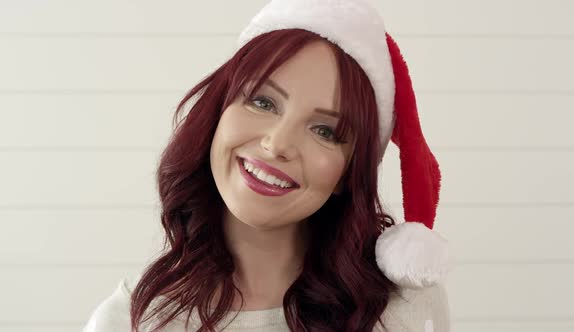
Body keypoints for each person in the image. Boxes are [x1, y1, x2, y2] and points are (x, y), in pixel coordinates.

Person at [83, 0, 451, 331]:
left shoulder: (405, 308)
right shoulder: (129, 321)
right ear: (217, 113)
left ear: (348, 172)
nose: (277, 144)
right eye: (263, 103)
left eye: (324, 130)